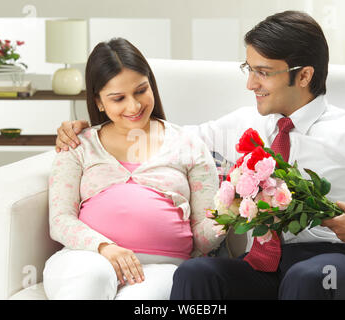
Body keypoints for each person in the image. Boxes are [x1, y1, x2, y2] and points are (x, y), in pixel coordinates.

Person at [54, 11, 345, 300]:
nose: (250, 84)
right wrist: (90, 128)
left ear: (304, 75)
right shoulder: (242, 123)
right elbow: (167, 139)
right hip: (262, 266)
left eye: (262, 72)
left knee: (308, 277)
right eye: (248, 69)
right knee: (195, 273)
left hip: (332, 262)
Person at [44, 38, 224, 300]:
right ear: (99, 102)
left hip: (162, 269)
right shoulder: (78, 144)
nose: (134, 106)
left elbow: (203, 240)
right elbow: (60, 221)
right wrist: (105, 248)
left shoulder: (187, 144)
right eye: (118, 98)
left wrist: (232, 212)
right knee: (94, 277)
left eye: (141, 90)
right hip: (88, 258)